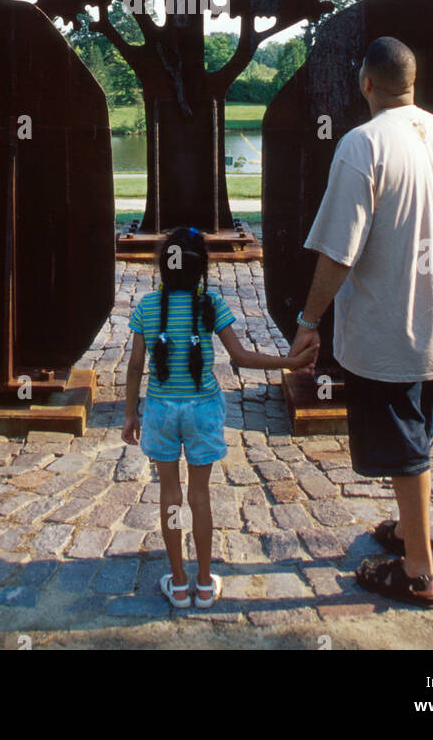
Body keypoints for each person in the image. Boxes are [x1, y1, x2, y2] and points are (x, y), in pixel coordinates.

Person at [288, 36, 433, 608]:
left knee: (404, 443)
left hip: (388, 325)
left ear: (365, 83)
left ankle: (418, 572)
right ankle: (406, 528)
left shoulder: (361, 145)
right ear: (410, 82)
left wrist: (308, 321)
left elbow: (338, 252)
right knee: (417, 428)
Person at [122, 225, 315, 608]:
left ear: (164, 268)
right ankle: (206, 582)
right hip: (203, 410)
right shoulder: (211, 305)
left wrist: (131, 413)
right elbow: (242, 358)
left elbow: (135, 365)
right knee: (200, 495)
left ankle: (178, 582)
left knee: (170, 497)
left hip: (161, 410)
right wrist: (290, 362)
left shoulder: (146, 307)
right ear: (201, 270)